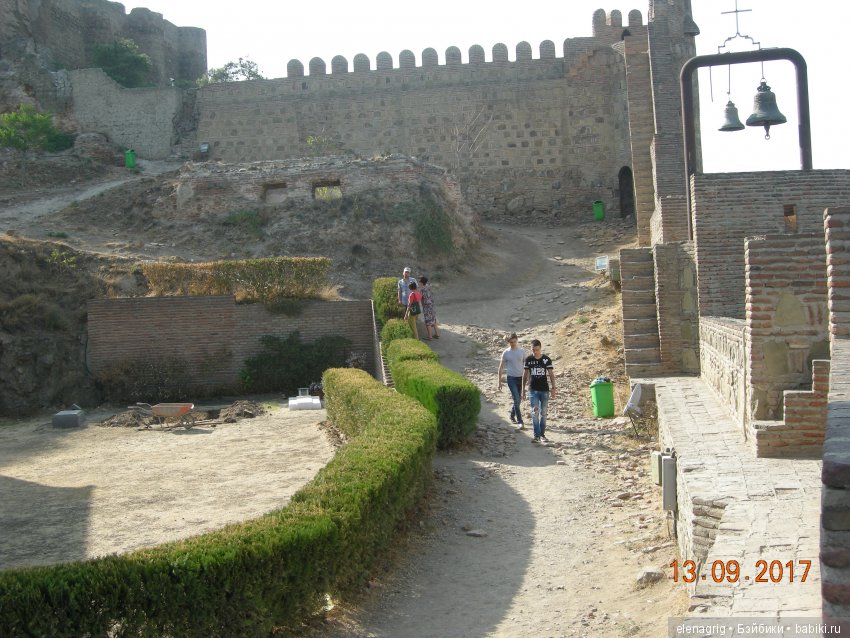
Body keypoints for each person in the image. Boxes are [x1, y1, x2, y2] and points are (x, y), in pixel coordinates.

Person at [521, 339, 556, 444]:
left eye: (536, 349)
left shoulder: (546, 360)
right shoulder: (529, 359)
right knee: (535, 412)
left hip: (544, 390)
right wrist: (523, 389)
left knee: (543, 413)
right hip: (533, 390)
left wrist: (553, 388)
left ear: (540, 348)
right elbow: (525, 374)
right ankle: (536, 435)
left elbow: (551, 374)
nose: (535, 352)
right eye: (533, 350)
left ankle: (542, 434)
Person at [497, 333, 525, 429]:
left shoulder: (522, 351)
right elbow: (500, 368)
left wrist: (528, 378)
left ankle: (512, 414)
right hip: (511, 378)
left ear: (517, 340)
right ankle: (520, 421)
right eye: (511, 342)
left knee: (518, 400)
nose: (513, 344)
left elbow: (526, 367)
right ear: (509, 342)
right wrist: (499, 382)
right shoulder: (506, 353)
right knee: (516, 398)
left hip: (521, 378)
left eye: (514, 342)